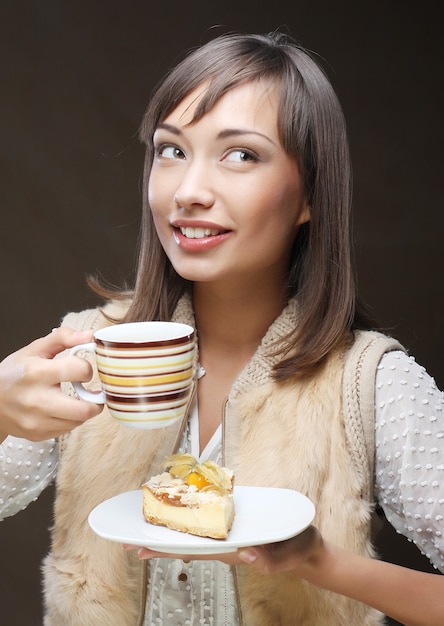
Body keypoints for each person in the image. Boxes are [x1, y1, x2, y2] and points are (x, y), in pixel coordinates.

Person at [0, 30, 442, 626]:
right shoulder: (87, 354)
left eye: (241, 155)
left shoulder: (372, 385)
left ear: (310, 193)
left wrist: (320, 562)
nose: (188, 192)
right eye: (171, 151)